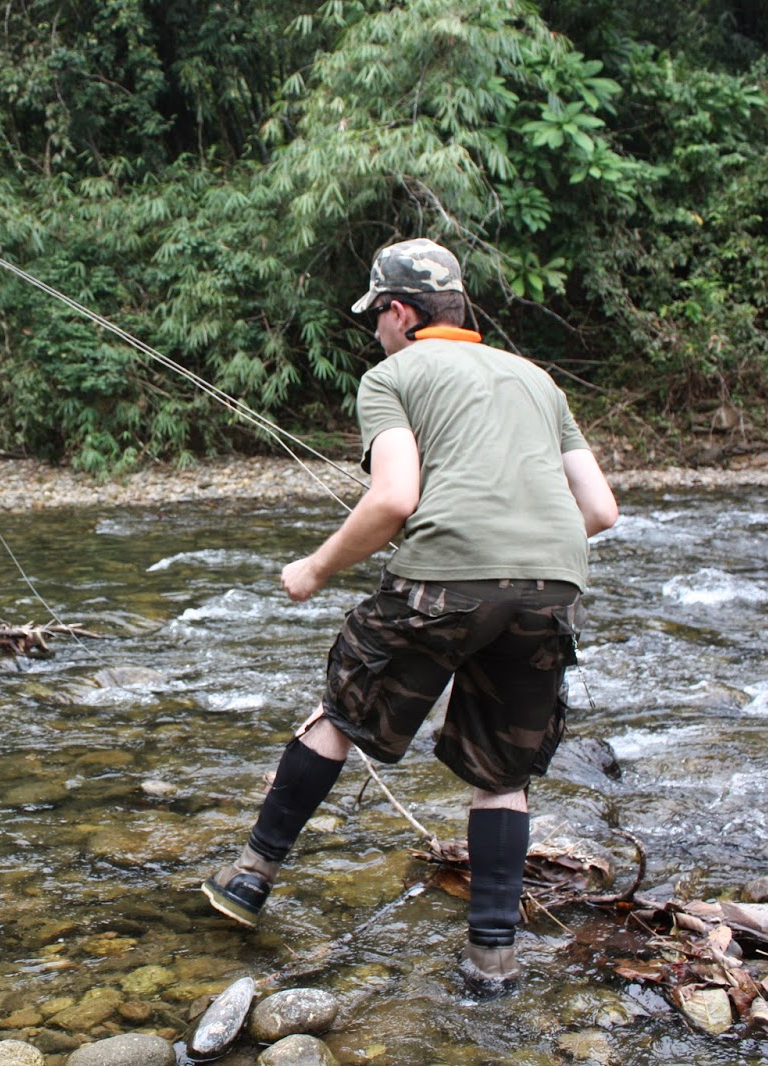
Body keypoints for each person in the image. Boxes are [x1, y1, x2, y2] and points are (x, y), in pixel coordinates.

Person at [202, 238, 619, 996]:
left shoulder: (391, 376)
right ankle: (493, 965)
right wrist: (518, 560)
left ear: (400, 312)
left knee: (341, 712)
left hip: (442, 581)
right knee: (502, 772)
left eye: (376, 317)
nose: (375, 332)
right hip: (554, 587)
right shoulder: (538, 380)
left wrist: (314, 569)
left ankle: (249, 879)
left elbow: (394, 498)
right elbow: (600, 511)